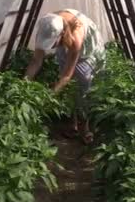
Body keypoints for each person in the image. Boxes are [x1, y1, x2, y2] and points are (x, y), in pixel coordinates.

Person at [24, 8, 106, 144]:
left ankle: (84, 127)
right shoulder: (47, 27)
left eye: (54, 43)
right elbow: (36, 61)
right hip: (66, 40)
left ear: (61, 35)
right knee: (69, 87)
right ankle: (72, 123)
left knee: (83, 84)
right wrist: (24, 82)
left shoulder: (76, 37)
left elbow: (67, 76)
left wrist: (51, 95)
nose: (52, 47)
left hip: (87, 50)